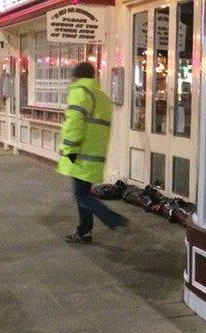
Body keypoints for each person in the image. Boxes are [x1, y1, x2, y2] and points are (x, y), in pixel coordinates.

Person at [58, 61, 127, 244]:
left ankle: (112, 219)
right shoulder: (101, 96)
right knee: (83, 193)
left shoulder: (80, 92)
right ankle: (84, 232)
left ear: (77, 76)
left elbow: (74, 124)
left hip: (79, 154)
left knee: (81, 194)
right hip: (94, 155)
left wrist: (68, 149)